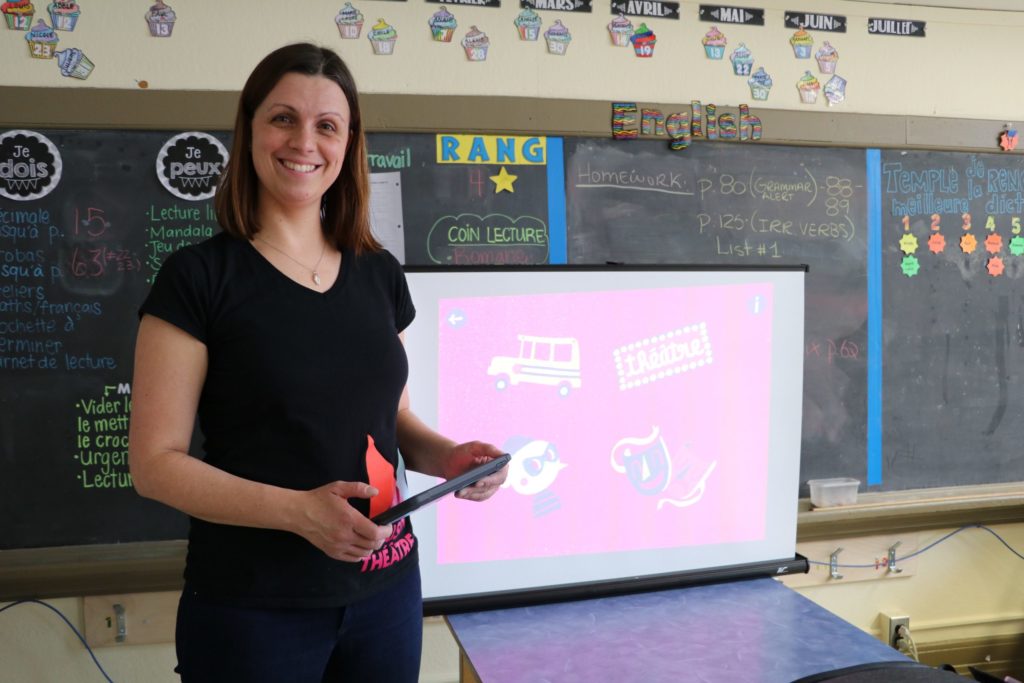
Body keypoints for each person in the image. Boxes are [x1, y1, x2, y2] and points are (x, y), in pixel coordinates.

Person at [127, 42, 508, 683]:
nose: (304, 141)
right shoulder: (197, 279)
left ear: (347, 144)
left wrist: (446, 458)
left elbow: (392, 418)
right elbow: (154, 465)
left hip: (386, 594)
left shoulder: (379, 274)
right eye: (283, 118)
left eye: (326, 125)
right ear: (250, 130)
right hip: (254, 608)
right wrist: (298, 512)